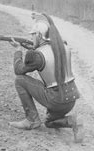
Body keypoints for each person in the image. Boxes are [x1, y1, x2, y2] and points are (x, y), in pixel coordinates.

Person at [8, 13, 84, 143]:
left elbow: (18, 70)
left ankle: (32, 120)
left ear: (38, 35)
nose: (31, 37)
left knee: (20, 80)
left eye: (33, 35)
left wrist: (18, 50)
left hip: (55, 100)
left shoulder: (38, 55)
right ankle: (73, 121)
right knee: (49, 122)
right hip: (70, 100)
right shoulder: (64, 47)